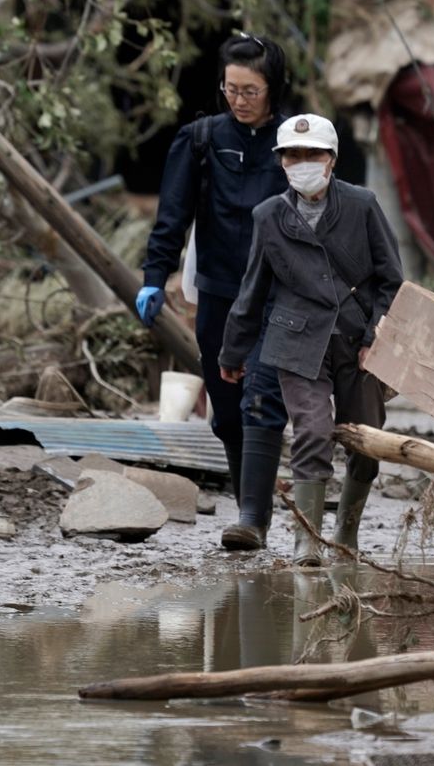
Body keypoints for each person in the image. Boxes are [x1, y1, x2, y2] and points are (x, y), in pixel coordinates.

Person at [218, 113, 403, 566]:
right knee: (312, 432)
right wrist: (233, 351)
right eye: (293, 156)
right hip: (297, 343)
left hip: (359, 340)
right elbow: (253, 288)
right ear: (281, 162)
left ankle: (347, 531)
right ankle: (308, 538)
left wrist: (376, 333)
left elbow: (391, 280)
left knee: (367, 439)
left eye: (313, 154)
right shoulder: (269, 216)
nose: (303, 163)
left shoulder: (361, 205)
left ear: (332, 159)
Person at [135, 33, 291, 552]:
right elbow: (173, 214)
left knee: (262, 397)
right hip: (220, 289)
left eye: (251, 91)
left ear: (273, 88)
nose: (240, 100)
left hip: (278, 292)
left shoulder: (295, 143)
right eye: (232, 89)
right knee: (225, 408)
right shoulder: (201, 139)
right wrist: (155, 277)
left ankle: (253, 515)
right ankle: (252, 500)